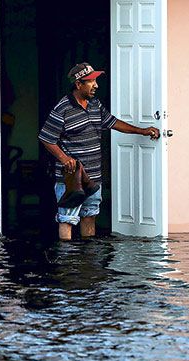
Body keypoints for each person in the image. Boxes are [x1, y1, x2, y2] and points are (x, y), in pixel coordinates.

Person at [38, 63, 160, 240]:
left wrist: (141, 130)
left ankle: (88, 262)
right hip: (71, 177)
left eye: (96, 80)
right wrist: (64, 158)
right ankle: (67, 264)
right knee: (67, 219)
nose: (96, 85)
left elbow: (113, 122)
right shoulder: (62, 109)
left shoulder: (95, 105)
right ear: (78, 84)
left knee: (90, 215)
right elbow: (46, 138)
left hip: (93, 177)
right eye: (91, 81)